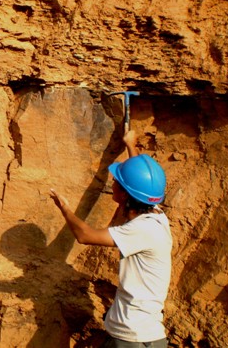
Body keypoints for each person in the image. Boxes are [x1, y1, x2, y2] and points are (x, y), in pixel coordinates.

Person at [50, 130, 172, 347]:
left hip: (133, 340)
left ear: (125, 194)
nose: (112, 182)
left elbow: (84, 236)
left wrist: (65, 208)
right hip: (140, 338)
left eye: (116, 181)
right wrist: (130, 145)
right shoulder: (156, 215)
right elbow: (144, 184)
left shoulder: (141, 230)